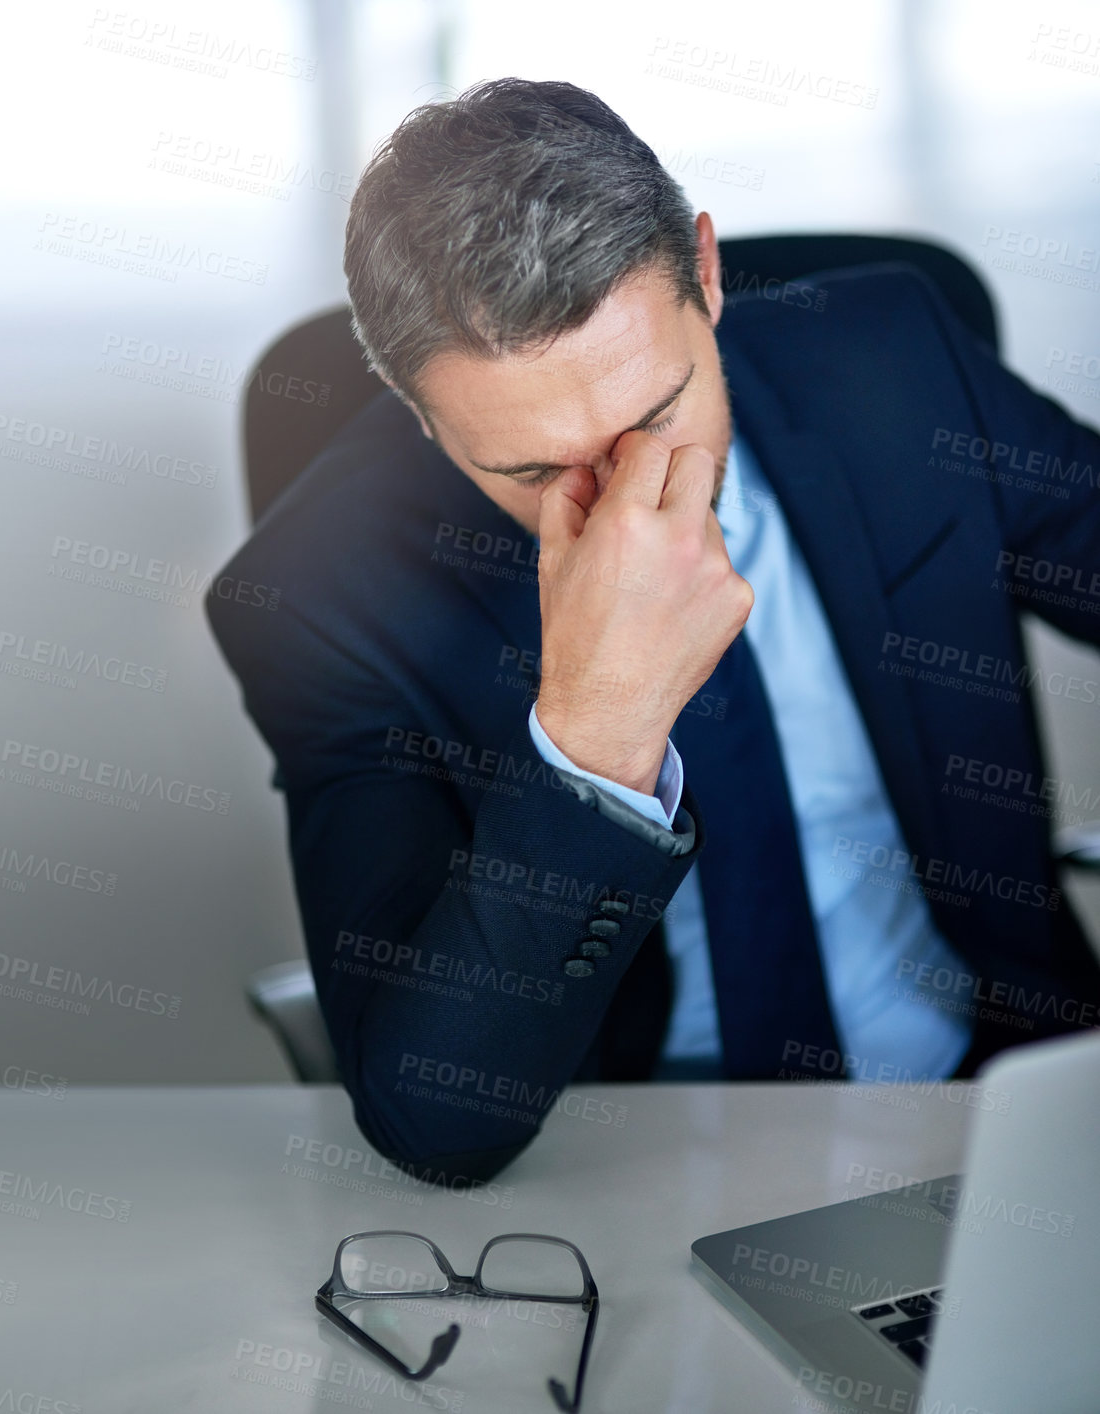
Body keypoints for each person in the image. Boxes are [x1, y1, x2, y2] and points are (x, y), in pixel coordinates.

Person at [205, 78, 1100, 1183]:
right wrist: (598, 731)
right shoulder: (316, 599)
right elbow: (435, 1120)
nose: (625, 502)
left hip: (1006, 1099)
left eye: (655, 415)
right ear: (419, 413)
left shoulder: (895, 358)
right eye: (533, 468)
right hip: (636, 1172)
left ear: (708, 276)